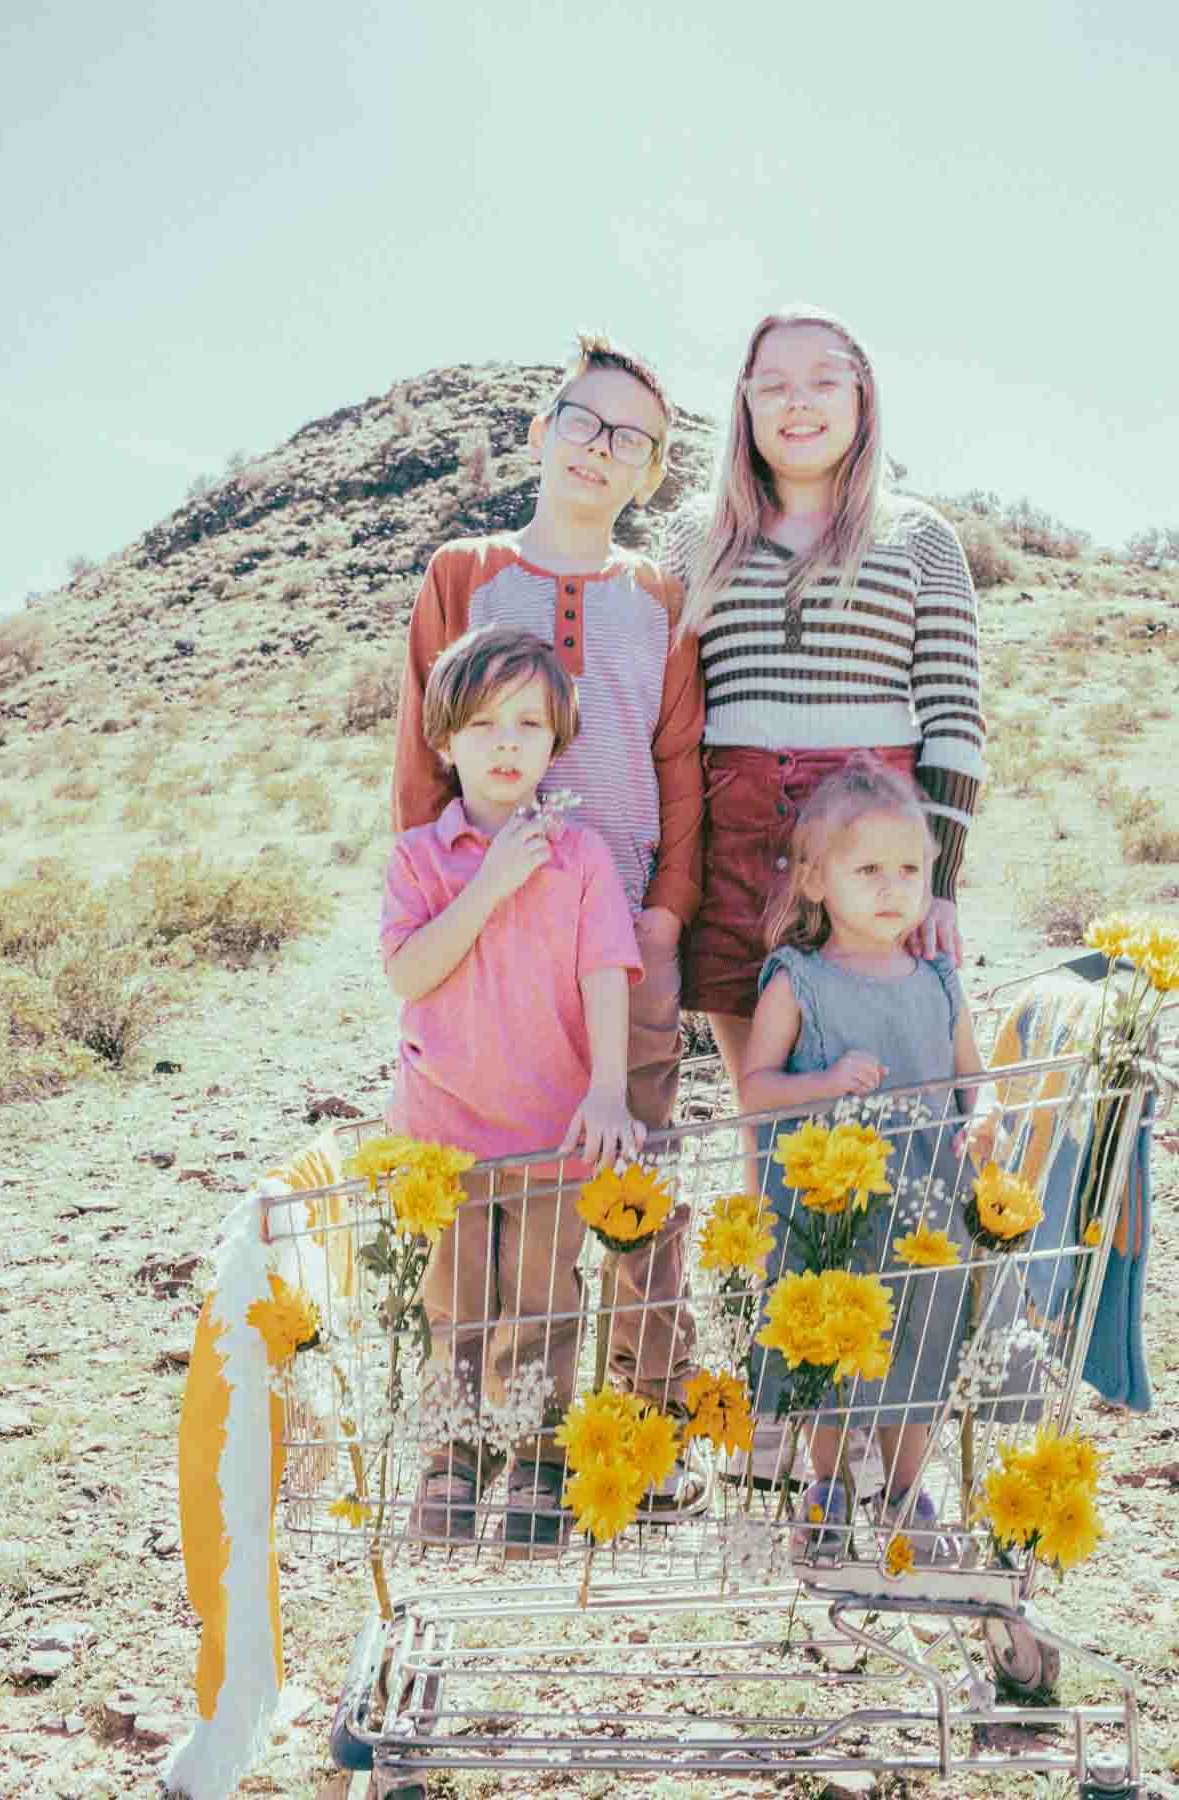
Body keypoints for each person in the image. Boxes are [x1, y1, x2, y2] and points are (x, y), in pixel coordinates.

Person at [391, 332, 706, 1506]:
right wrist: (444, 902)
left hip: (624, 939)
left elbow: (683, 763)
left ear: (650, 474)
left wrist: (667, 914)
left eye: (632, 439)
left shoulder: (658, 598)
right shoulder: (463, 574)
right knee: (484, 1198)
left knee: (631, 1187)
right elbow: (422, 761)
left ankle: (637, 1442)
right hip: (487, 941)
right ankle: (474, 1444)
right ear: (542, 431)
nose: (600, 448)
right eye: (584, 419)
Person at [663, 305, 986, 1109]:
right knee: (766, 1106)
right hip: (735, 843)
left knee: (902, 1093)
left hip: (878, 848)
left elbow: (954, 716)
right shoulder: (691, 538)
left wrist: (939, 880)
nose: (797, 403)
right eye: (772, 386)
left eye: (821, 382)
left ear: (861, 397)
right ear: (744, 403)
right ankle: (770, 1243)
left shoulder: (919, 536)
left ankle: (925, 1235)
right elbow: (664, 720)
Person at [382, 626, 647, 1556]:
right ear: (444, 742)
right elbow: (412, 973)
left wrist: (609, 1092)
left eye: (528, 724)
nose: (506, 743)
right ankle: (453, 1460)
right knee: (454, 1303)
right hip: (443, 1132)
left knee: (542, 1300)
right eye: (484, 724)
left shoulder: (582, 859)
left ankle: (538, 1458)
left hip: (550, 1131)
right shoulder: (420, 858)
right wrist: (488, 884)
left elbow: (607, 973)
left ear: (556, 741)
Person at [740, 758, 994, 1563]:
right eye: (869, 869)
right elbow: (755, 1088)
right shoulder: (800, 981)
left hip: (928, 1209)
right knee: (830, 1350)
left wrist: (982, 1125)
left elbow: (968, 1078)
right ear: (815, 879)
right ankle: (830, 1488)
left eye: (911, 870)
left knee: (920, 1345)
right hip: (830, 1214)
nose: (894, 888)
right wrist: (823, 1080)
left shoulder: (939, 981)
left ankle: (904, 1488)